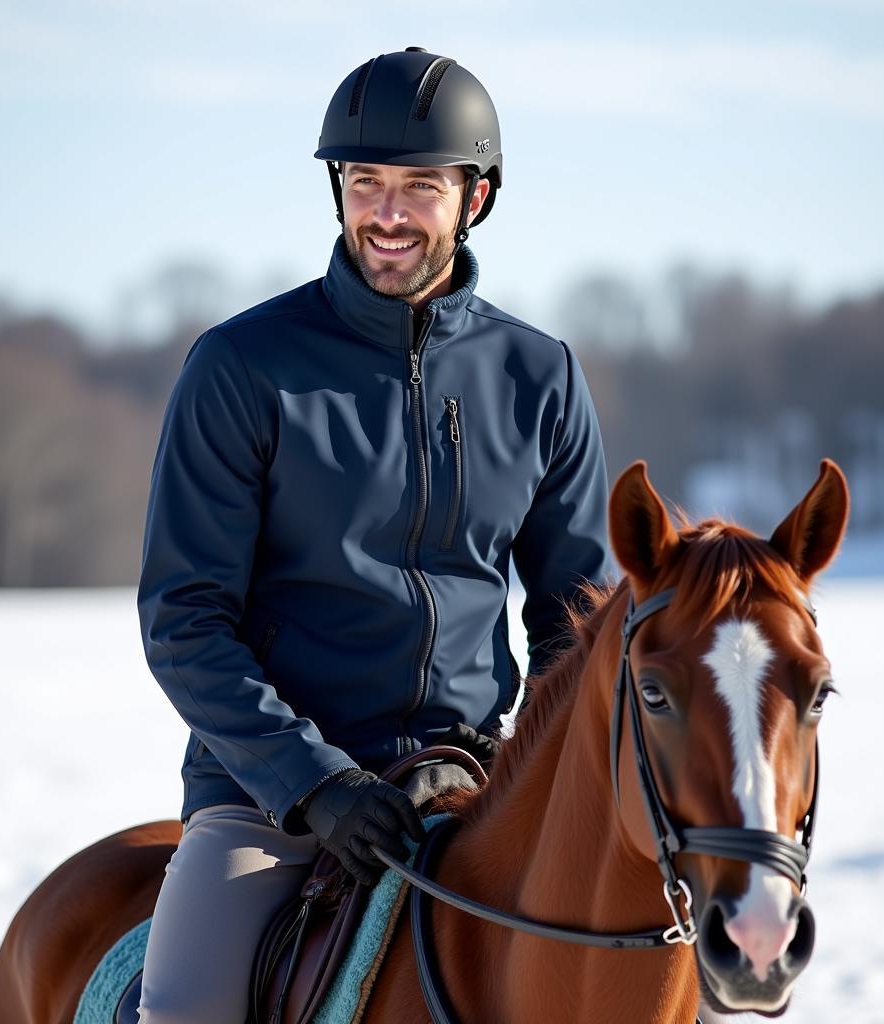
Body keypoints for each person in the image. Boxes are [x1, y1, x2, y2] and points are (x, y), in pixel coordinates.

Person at [135, 46, 608, 1023]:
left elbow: (579, 617)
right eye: (365, 183)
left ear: (475, 197)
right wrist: (314, 784)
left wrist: (543, 770)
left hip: (472, 776)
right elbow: (184, 617)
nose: (387, 214)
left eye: (419, 187)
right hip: (268, 799)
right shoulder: (240, 367)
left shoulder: (539, 376)